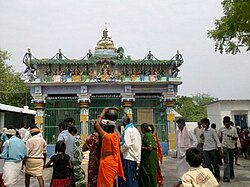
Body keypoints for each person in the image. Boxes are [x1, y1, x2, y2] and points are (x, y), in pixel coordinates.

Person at [94, 107, 125, 186]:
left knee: (106, 184)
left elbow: (97, 125)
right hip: (114, 163)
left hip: (107, 163)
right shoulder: (116, 137)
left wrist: (103, 111)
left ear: (107, 128)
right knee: (110, 183)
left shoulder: (107, 137)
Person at [119, 116, 141, 187]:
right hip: (135, 156)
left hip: (129, 157)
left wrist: (120, 150)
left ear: (124, 122)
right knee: (132, 177)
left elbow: (127, 144)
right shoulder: (135, 129)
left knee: (130, 179)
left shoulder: (128, 130)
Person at [175, 119, 198, 187]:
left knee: (187, 168)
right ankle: (181, 180)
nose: (178, 126)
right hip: (180, 153)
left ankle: (188, 181)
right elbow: (177, 142)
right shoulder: (178, 132)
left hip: (187, 153)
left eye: (179, 124)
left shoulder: (188, 132)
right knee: (179, 168)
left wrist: (190, 149)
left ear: (182, 124)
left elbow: (195, 141)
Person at [218, 116, 238, 182]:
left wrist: (232, 137)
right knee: (226, 161)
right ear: (223, 122)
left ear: (229, 122)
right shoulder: (221, 129)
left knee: (231, 161)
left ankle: (231, 174)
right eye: (225, 122)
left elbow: (236, 138)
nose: (226, 123)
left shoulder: (233, 129)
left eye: (227, 122)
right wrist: (220, 148)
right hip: (225, 146)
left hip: (232, 147)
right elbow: (219, 138)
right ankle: (226, 176)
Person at [82, 121, 101, 187]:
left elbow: (83, 148)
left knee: (92, 176)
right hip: (103, 160)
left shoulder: (91, 137)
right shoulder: (104, 136)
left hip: (93, 160)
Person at [138, 123, 158, 187]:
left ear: (143, 129)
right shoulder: (147, 135)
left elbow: (150, 148)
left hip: (150, 158)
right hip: (147, 157)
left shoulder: (148, 135)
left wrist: (140, 147)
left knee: (150, 173)